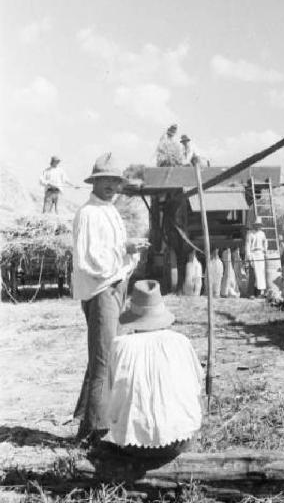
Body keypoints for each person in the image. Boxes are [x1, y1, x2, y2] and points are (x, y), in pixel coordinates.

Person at [72, 152, 148, 444]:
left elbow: (114, 251)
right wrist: (124, 248)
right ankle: (96, 430)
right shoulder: (89, 213)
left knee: (104, 356)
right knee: (104, 360)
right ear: (95, 181)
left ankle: (85, 420)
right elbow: (89, 259)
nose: (111, 186)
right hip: (101, 288)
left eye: (115, 181)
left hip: (115, 284)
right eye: (105, 180)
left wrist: (130, 250)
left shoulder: (109, 210)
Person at [105, 279, 203, 451]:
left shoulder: (120, 345)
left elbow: (111, 396)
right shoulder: (180, 342)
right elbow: (197, 386)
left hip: (133, 445)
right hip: (180, 440)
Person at [245, 217, 268, 297]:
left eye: (259, 225)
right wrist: (249, 256)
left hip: (260, 254)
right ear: (254, 225)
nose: (258, 226)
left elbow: (265, 242)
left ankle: (258, 293)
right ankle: (251, 293)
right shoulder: (250, 233)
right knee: (253, 274)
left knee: (261, 275)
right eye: (256, 225)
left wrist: (265, 250)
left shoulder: (262, 234)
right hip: (253, 254)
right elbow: (247, 245)